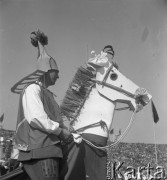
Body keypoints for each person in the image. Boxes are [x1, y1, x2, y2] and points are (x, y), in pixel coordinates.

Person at [12, 30, 73, 180]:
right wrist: (60, 132)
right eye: (56, 72)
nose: (58, 76)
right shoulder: (32, 88)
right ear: (47, 71)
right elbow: (36, 118)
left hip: (50, 150)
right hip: (41, 151)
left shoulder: (47, 93)